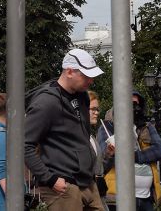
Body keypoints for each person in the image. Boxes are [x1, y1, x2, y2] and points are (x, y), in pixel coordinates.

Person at [24, 48, 104, 211]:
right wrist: (50, 179)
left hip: (86, 182)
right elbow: (24, 145)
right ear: (69, 72)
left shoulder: (82, 96)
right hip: (63, 186)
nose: (91, 81)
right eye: (86, 76)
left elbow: (82, 137)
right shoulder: (46, 102)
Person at [99, 91, 161, 211]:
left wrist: (134, 156)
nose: (133, 108)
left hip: (145, 197)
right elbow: (103, 157)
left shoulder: (146, 126)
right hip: (118, 197)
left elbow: (159, 151)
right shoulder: (107, 126)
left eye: (136, 104)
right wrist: (112, 151)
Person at [87, 91, 112, 210]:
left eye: (97, 109)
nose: (96, 112)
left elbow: (100, 169)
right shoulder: (76, 137)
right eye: (93, 109)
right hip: (86, 196)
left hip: (98, 193)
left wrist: (108, 154)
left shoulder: (91, 137)